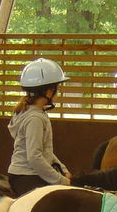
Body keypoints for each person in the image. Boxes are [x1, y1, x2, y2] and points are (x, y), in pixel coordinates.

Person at [7, 58, 72, 197]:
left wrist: (63, 169)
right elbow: (34, 157)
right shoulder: (34, 119)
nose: (57, 93)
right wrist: (60, 180)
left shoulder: (33, 113)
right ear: (48, 91)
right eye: (56, 89)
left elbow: (45, 151)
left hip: (31, 173)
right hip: (26, 175)